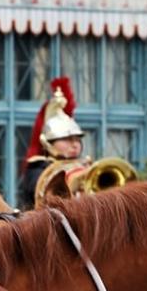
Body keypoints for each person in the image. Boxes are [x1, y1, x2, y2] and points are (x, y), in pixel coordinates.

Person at [20, 78, 90, 208]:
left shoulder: (86, 165)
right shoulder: (37, 168)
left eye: (77, 139)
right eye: (66, 139)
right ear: (47, 143)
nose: (74, 144)